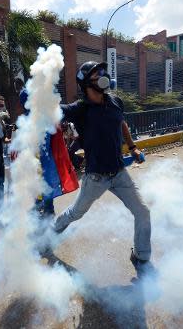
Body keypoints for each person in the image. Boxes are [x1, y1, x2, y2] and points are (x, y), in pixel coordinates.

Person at [52, 61, 150, 272]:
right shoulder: (80, 109)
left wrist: (132, 147)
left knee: (143, 212)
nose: (104, 76)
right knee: (75, 213)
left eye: (104, 72)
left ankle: (141, 257)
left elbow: (121, 123)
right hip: (96, 177)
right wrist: (40, 100)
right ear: (86, 82)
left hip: (119, 173)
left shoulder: (115, 101)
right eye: (98, 74)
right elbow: (55, 110)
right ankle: (52, 231)